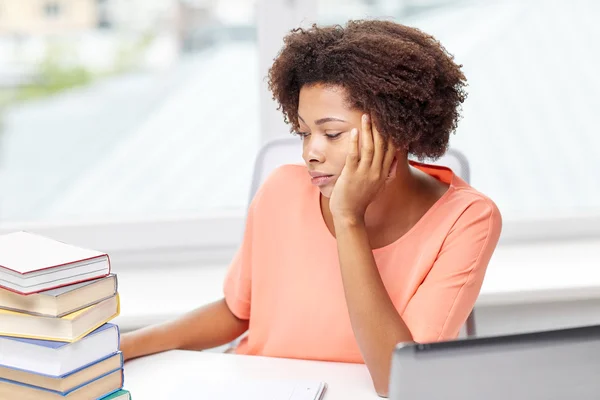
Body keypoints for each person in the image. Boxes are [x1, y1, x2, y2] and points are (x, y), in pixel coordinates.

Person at [121, 19, 502, 397]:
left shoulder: (467, 220)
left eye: (331, 133)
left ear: (395, 131)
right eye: (303, 133)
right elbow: (239, 313)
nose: (310, 153)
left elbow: (397, 378)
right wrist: (126, 347)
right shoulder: (282, 191)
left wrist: (349, 218)